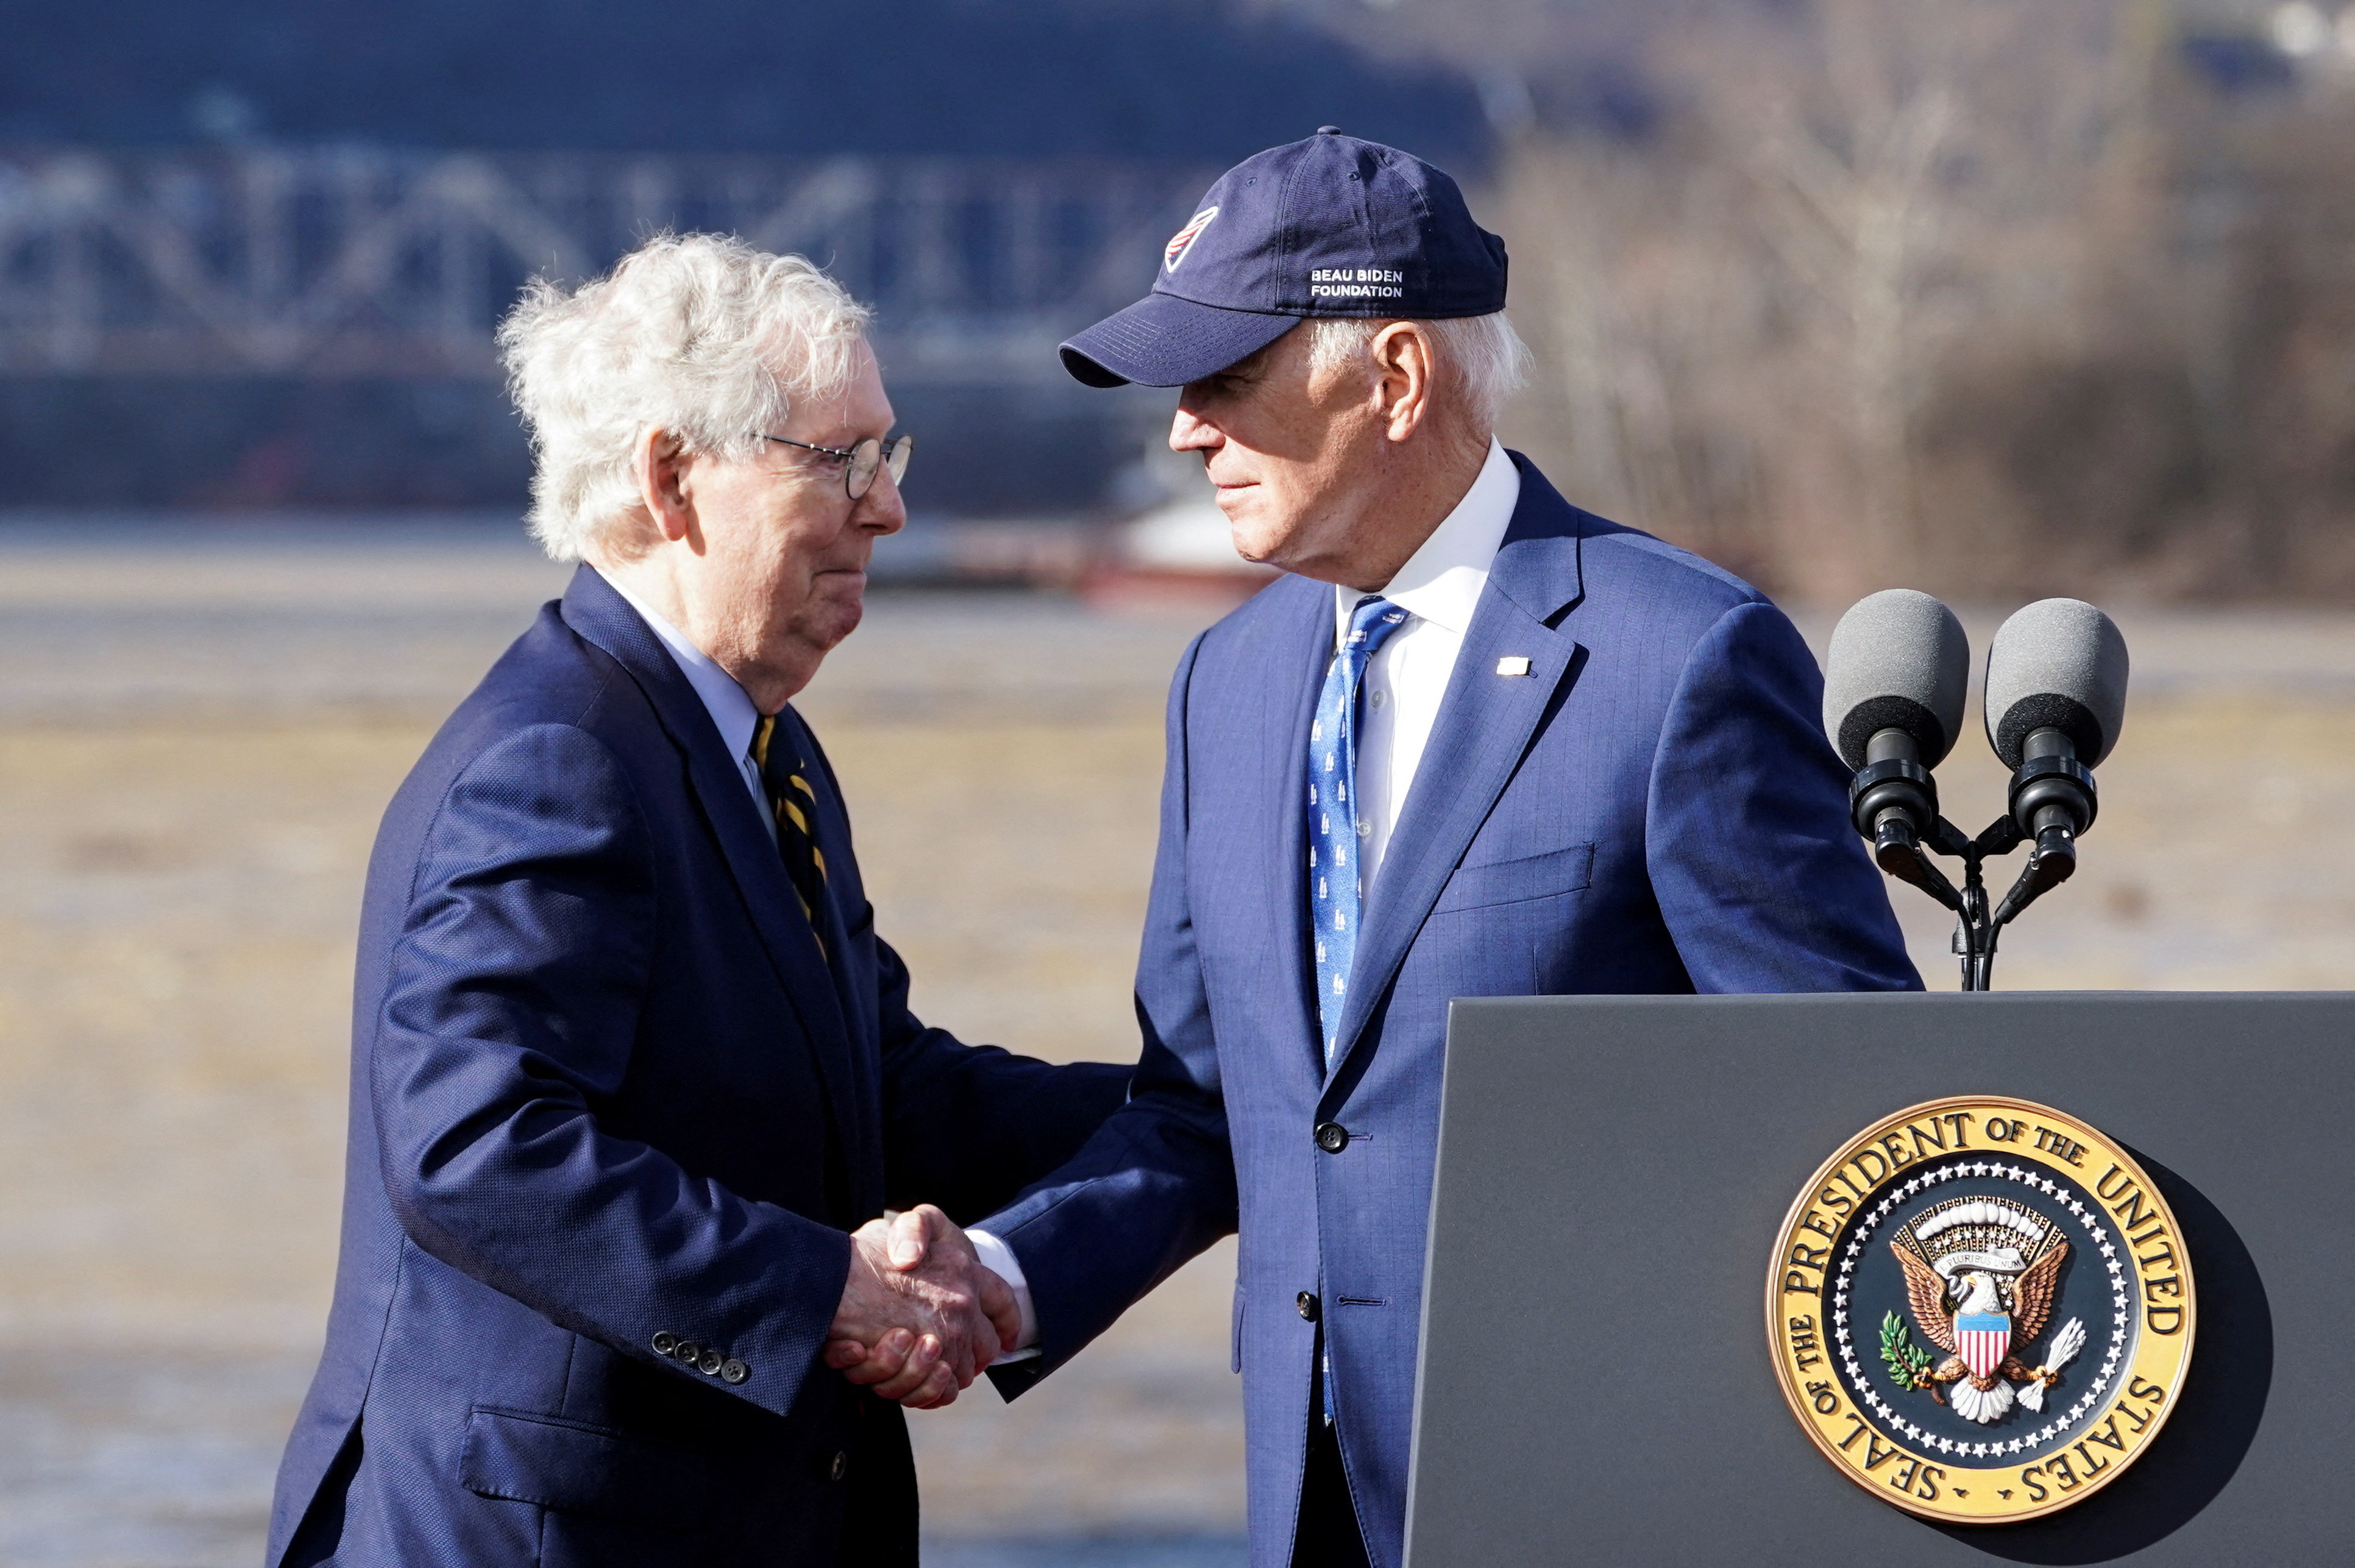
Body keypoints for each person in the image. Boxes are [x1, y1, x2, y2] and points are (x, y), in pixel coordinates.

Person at [833, 130, 1921, 1567]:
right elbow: (1206, 1110)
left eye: (1225, 380)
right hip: (1314, 1497)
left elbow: (1852, 1102)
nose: (1184, 431)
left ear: (1395, 378)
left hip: (1617, 1491)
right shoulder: (1226, 684)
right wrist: (1011, 1279)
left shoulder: (1683, 657)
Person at [265, 233, 1130, 1567]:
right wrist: (825, 1293)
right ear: (673, 478)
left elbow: (878, 1095)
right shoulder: (556, 759)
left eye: (889, 457)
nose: (887, 507)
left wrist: (1212, 1112)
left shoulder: (761, 744)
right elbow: (472, 1150)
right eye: (838, 460)